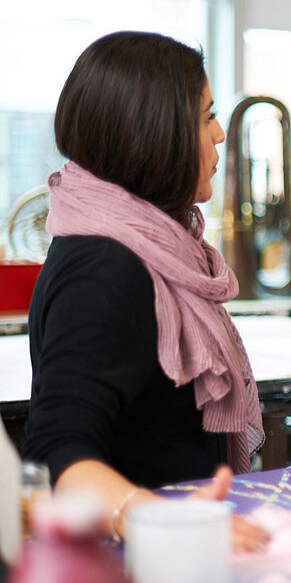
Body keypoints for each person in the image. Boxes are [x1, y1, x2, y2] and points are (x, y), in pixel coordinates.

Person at [23, 31, 267, 549]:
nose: (220, 134)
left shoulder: (146, 246)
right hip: (138, 562)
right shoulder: (106, 266)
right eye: (205, 117)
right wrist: (157, 521)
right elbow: (57, 452)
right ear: (155, 133)